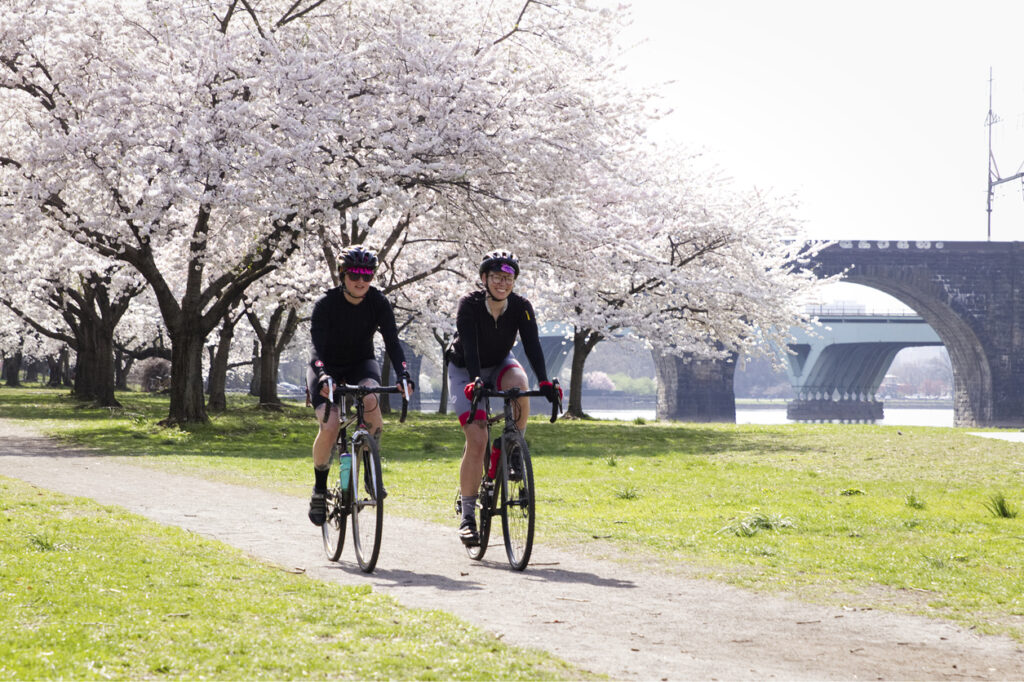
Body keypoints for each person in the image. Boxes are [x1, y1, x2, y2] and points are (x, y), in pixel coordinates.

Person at [447, 249, 561, 545]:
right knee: (477, 439)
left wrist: (546, 380)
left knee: (520, 385)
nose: (502, 282)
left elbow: (533, 345)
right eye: (496, 277)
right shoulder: (469, 305)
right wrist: (475, 380)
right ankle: (468, 517)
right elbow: (470, 346)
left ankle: (512, 445)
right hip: (465, 368)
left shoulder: (521, 306)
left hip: (500, 362)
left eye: (508, 278)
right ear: (484, 279)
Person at [306, 245, 414, 526]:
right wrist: (321, 376)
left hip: (360, 363)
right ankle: (319, 488)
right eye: (354, 273)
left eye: (367, 274)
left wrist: (403, 374)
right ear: (343, 274)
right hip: (325, 365)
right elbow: (316, 348)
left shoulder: (378, 302)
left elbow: (392, 341)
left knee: (371, 401)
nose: (361, 280)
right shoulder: (326, 304)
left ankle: (369, 467)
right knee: (330, 426)